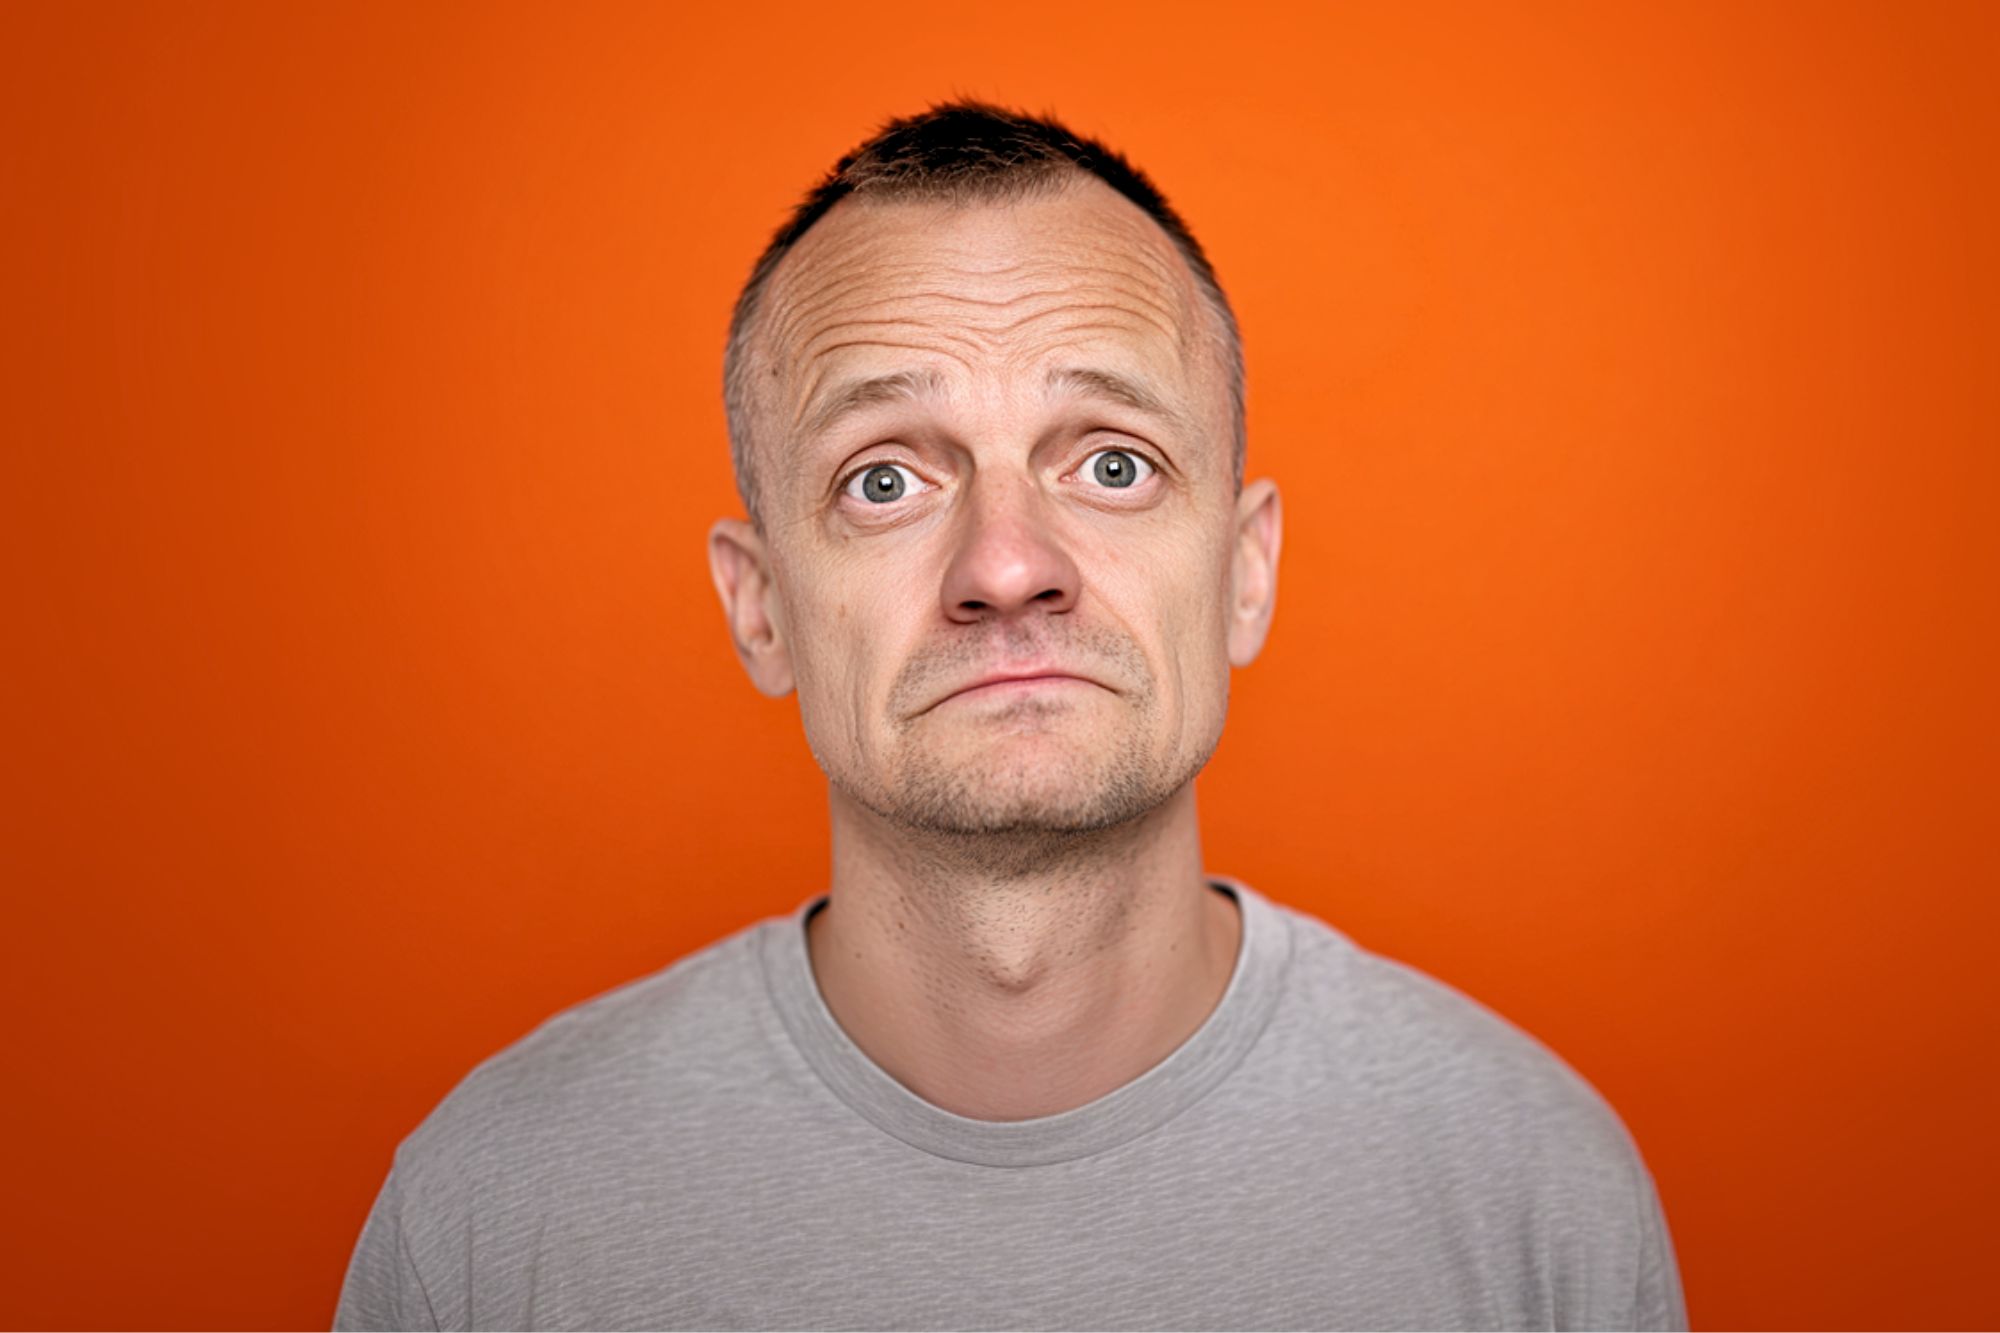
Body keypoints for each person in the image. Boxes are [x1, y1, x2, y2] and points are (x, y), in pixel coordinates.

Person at [334, 99, 1688, 1332]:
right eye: (882, 480)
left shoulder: (1537, 1194)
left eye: (1113, 463)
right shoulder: (489, 1217)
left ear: (1245, 572)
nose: (1006, 564)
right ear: (762, 609)